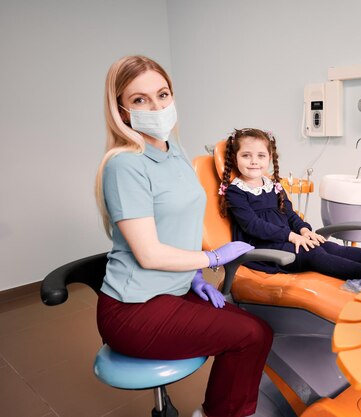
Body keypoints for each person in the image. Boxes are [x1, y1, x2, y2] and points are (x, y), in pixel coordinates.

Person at [94, 56, 272, 417]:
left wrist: (192, 277)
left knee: (250, 320)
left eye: (162, 94)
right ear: (122, 111)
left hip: (171, 290)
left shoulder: (174, 152)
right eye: (140, 100)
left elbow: (178, 226)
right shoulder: (124, 164)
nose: (157, 107)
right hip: (133, 310)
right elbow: (149, 254)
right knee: (252, 334)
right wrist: (212, 258)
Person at [218, 128, 361, 280]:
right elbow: (253, 226)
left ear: (270, 157)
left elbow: (289, 213)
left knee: (329, 247)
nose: (254, 161)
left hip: (285, 239)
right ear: (235, 158)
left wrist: (303, 230)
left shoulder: (273, 185)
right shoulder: (235, 191)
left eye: (261, 156)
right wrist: (291, 236)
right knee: (313, 254)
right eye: (246, 155)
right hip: (261, 247)